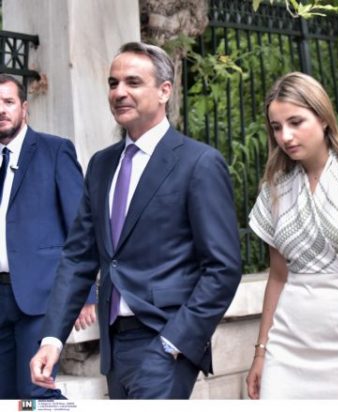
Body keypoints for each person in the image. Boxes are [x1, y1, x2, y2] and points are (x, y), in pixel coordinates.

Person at [29, 41, 242, 399]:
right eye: (113, 83)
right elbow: (79, 257)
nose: (119, 92)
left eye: (133, 82)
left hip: (165, 343)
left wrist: (175, 342)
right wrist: (52, 339)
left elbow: (223, 268)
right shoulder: (101, 165)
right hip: (115, 346)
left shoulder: (199, 163)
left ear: (164, 91)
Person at [245, 72, 338, 399]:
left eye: (296, 122)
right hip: (288, 344)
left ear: (324, 118)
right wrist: (261, 351)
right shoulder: (275, 187)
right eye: (276, 127)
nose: (285, 136)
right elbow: (277, 276)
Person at [0, 74, 95, 399]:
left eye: (8, 102)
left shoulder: (55, 151)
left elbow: (81, 227)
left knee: (36, 394)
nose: (1, 110)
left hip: (40, 297)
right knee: (6, 399)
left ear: (24, 108)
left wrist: (85, 292)